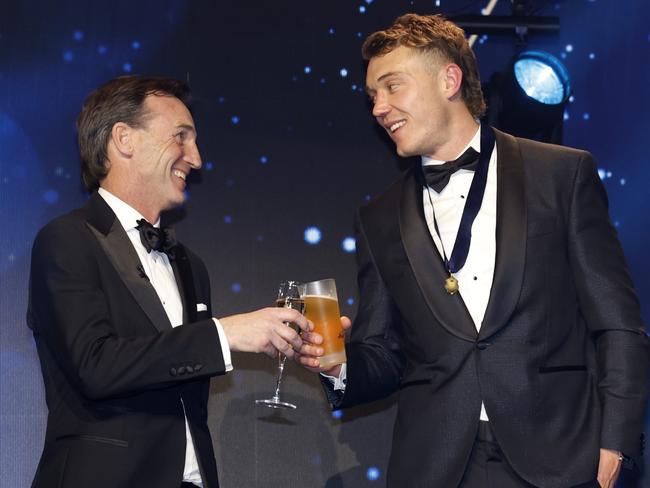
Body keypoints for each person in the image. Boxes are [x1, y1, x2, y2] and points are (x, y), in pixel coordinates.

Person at [296, 13, 649, 488]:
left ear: (449, 79)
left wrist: (618, 438)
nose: (379, 107)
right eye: (372, 96)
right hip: (436, 466)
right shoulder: (377, 217)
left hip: (560, 458)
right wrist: (336, 363)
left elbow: (619, 323)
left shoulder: (562, 175)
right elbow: (385, 353)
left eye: (392, 86)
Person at [27, 76, 316, 488]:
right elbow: (95, 366)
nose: (196, 159)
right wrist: (224, 334)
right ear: (124, 139)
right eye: (181, 137)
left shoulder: (189, 264)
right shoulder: (66, 240)